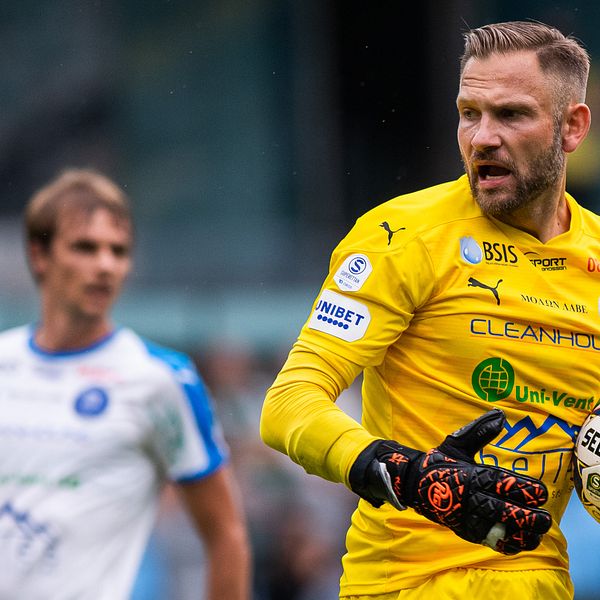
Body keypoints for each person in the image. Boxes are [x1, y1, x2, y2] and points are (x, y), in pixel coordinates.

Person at [260, 20, 600, 600]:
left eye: (511, 115)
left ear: (572, 127)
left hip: (540, 582)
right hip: (408, 584)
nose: (482, 138)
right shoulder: (402, 236)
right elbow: (288, 405)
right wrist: (407, 474)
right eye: (469, 113)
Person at [0, 168, 251, 599]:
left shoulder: (159, 379)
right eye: (85, 247)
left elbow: (226, 535)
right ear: (39, 255)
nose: (105, 266)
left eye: (118, 251)